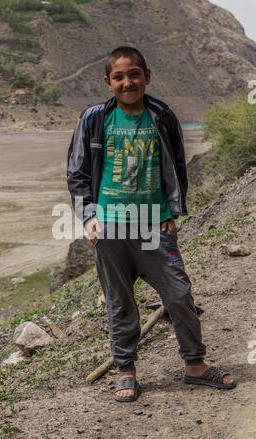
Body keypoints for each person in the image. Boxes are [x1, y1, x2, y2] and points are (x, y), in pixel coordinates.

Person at [67, 46, 236, 402]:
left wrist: (172, 212)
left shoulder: (162, 115)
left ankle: (195, 366)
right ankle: (125, 371)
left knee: (178, 294)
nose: (127, 83)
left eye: (134, 75)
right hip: (111, 227)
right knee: (119, 301)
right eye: (119, 76)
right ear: (108, 81)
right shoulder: (95, 118)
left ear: (147, 75)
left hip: (153, 224)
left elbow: (176, 166)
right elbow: (78, 174)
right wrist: (90, 218)